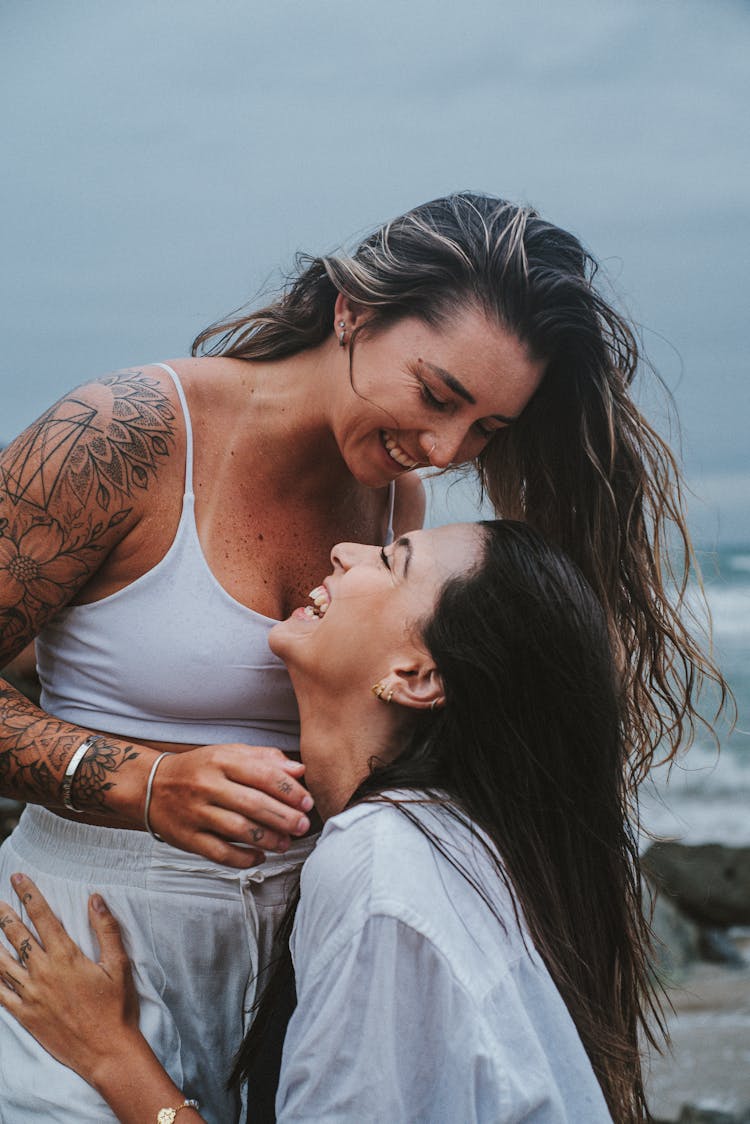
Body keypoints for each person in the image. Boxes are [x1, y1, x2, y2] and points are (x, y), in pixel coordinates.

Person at [0, 193, 723, 1118]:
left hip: (293, 985)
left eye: (487, 431)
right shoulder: (126, 434)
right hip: (81, 966)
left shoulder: (394, 508)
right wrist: (138, 782)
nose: (444, 449)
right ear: (354, 312)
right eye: (438, 394)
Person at [0, 521, 662, 1122]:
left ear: (416, 676)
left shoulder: (382, 867)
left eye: (392, 560)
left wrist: (112, 1054)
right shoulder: (443, 840)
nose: (343, 550)